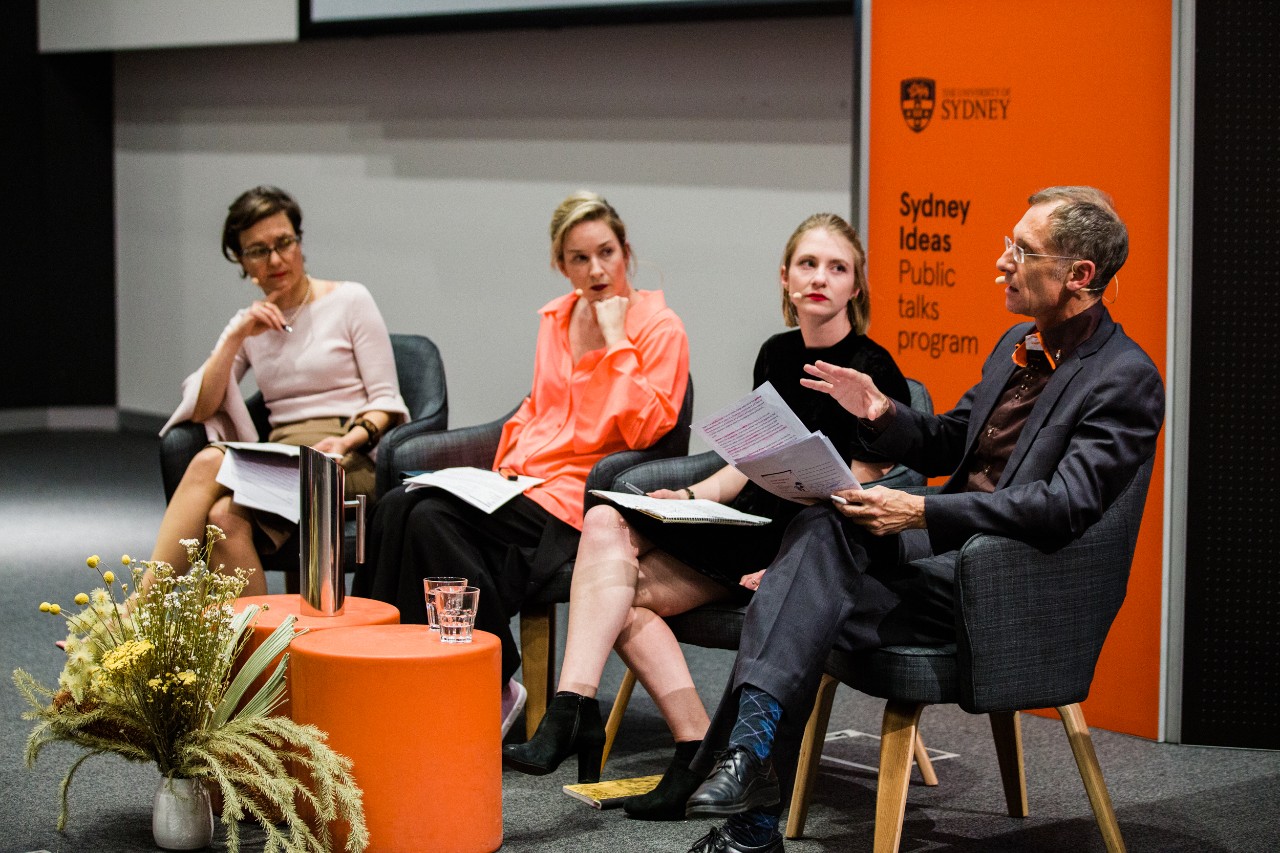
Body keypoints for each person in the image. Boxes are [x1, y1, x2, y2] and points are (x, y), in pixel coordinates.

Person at [680, 187, 1166, 853]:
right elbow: (949, 438)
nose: (1002, 263)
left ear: (1079, 276)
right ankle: (751, 771)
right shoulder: (1017, 344)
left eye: (1021, 251)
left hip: (1002, 586)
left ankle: (750, 800)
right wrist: (881, 409)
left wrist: (920, 510)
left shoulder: (1124, 377)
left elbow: (1064, 507)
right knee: (820, 535)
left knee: (802, 585)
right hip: (940, 564)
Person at [502, 214, 912, 817]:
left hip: (809, 541)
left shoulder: (875, 370)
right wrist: (692, 498)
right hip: (748, 524)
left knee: (618, 594)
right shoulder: (776, 353)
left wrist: (792, 571)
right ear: (785, 278)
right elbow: (750, 460)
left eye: (837, 267)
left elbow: (860, 494)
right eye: (807, 264)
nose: (820, 277)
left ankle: (652, 742)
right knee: (604, 523)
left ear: (857, 286)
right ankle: (596, 714)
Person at [352, 191, 690, 737]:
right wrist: (499, 470)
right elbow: (539, 408)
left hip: (579, 494)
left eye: (606, 252)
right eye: (580, 258)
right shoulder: (557, 318)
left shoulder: (659, 326)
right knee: (398, 506)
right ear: (561, 265)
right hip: (520, 484)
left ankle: (492, 679)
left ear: (626, 250)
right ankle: (391, 669)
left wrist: (616, 341)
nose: (597, 269)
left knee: (431, 519)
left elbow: (651, 429)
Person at [154, 185, 408, 597]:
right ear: (241, 262)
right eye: (257, 250)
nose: (275, 259)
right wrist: (236, 336)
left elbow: (386, 402)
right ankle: (268, 656)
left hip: (347, 456)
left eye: (283, 243)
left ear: (300, 242)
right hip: (281, 460)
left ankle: (136, 614)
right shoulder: (251, 323)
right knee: (222, 519)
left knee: (206, 464)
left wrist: (348, 439)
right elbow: (202, 407)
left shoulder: (350, 300)